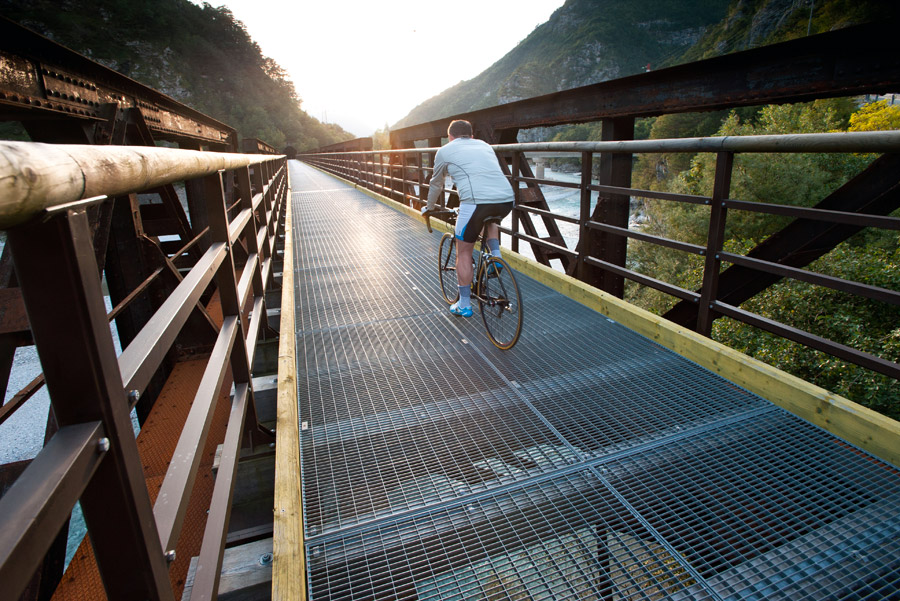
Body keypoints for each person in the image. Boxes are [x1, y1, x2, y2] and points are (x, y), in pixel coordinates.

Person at [421, 120, 514, 317]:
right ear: (471, 136)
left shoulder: (445, 150)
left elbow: (436, 184)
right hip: (506, 199)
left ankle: (464, 304)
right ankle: (496, 256)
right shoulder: (485, 146)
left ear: (450, 137)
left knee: (463, 252)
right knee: (489, 218)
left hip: (475, 203)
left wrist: (429, 208)